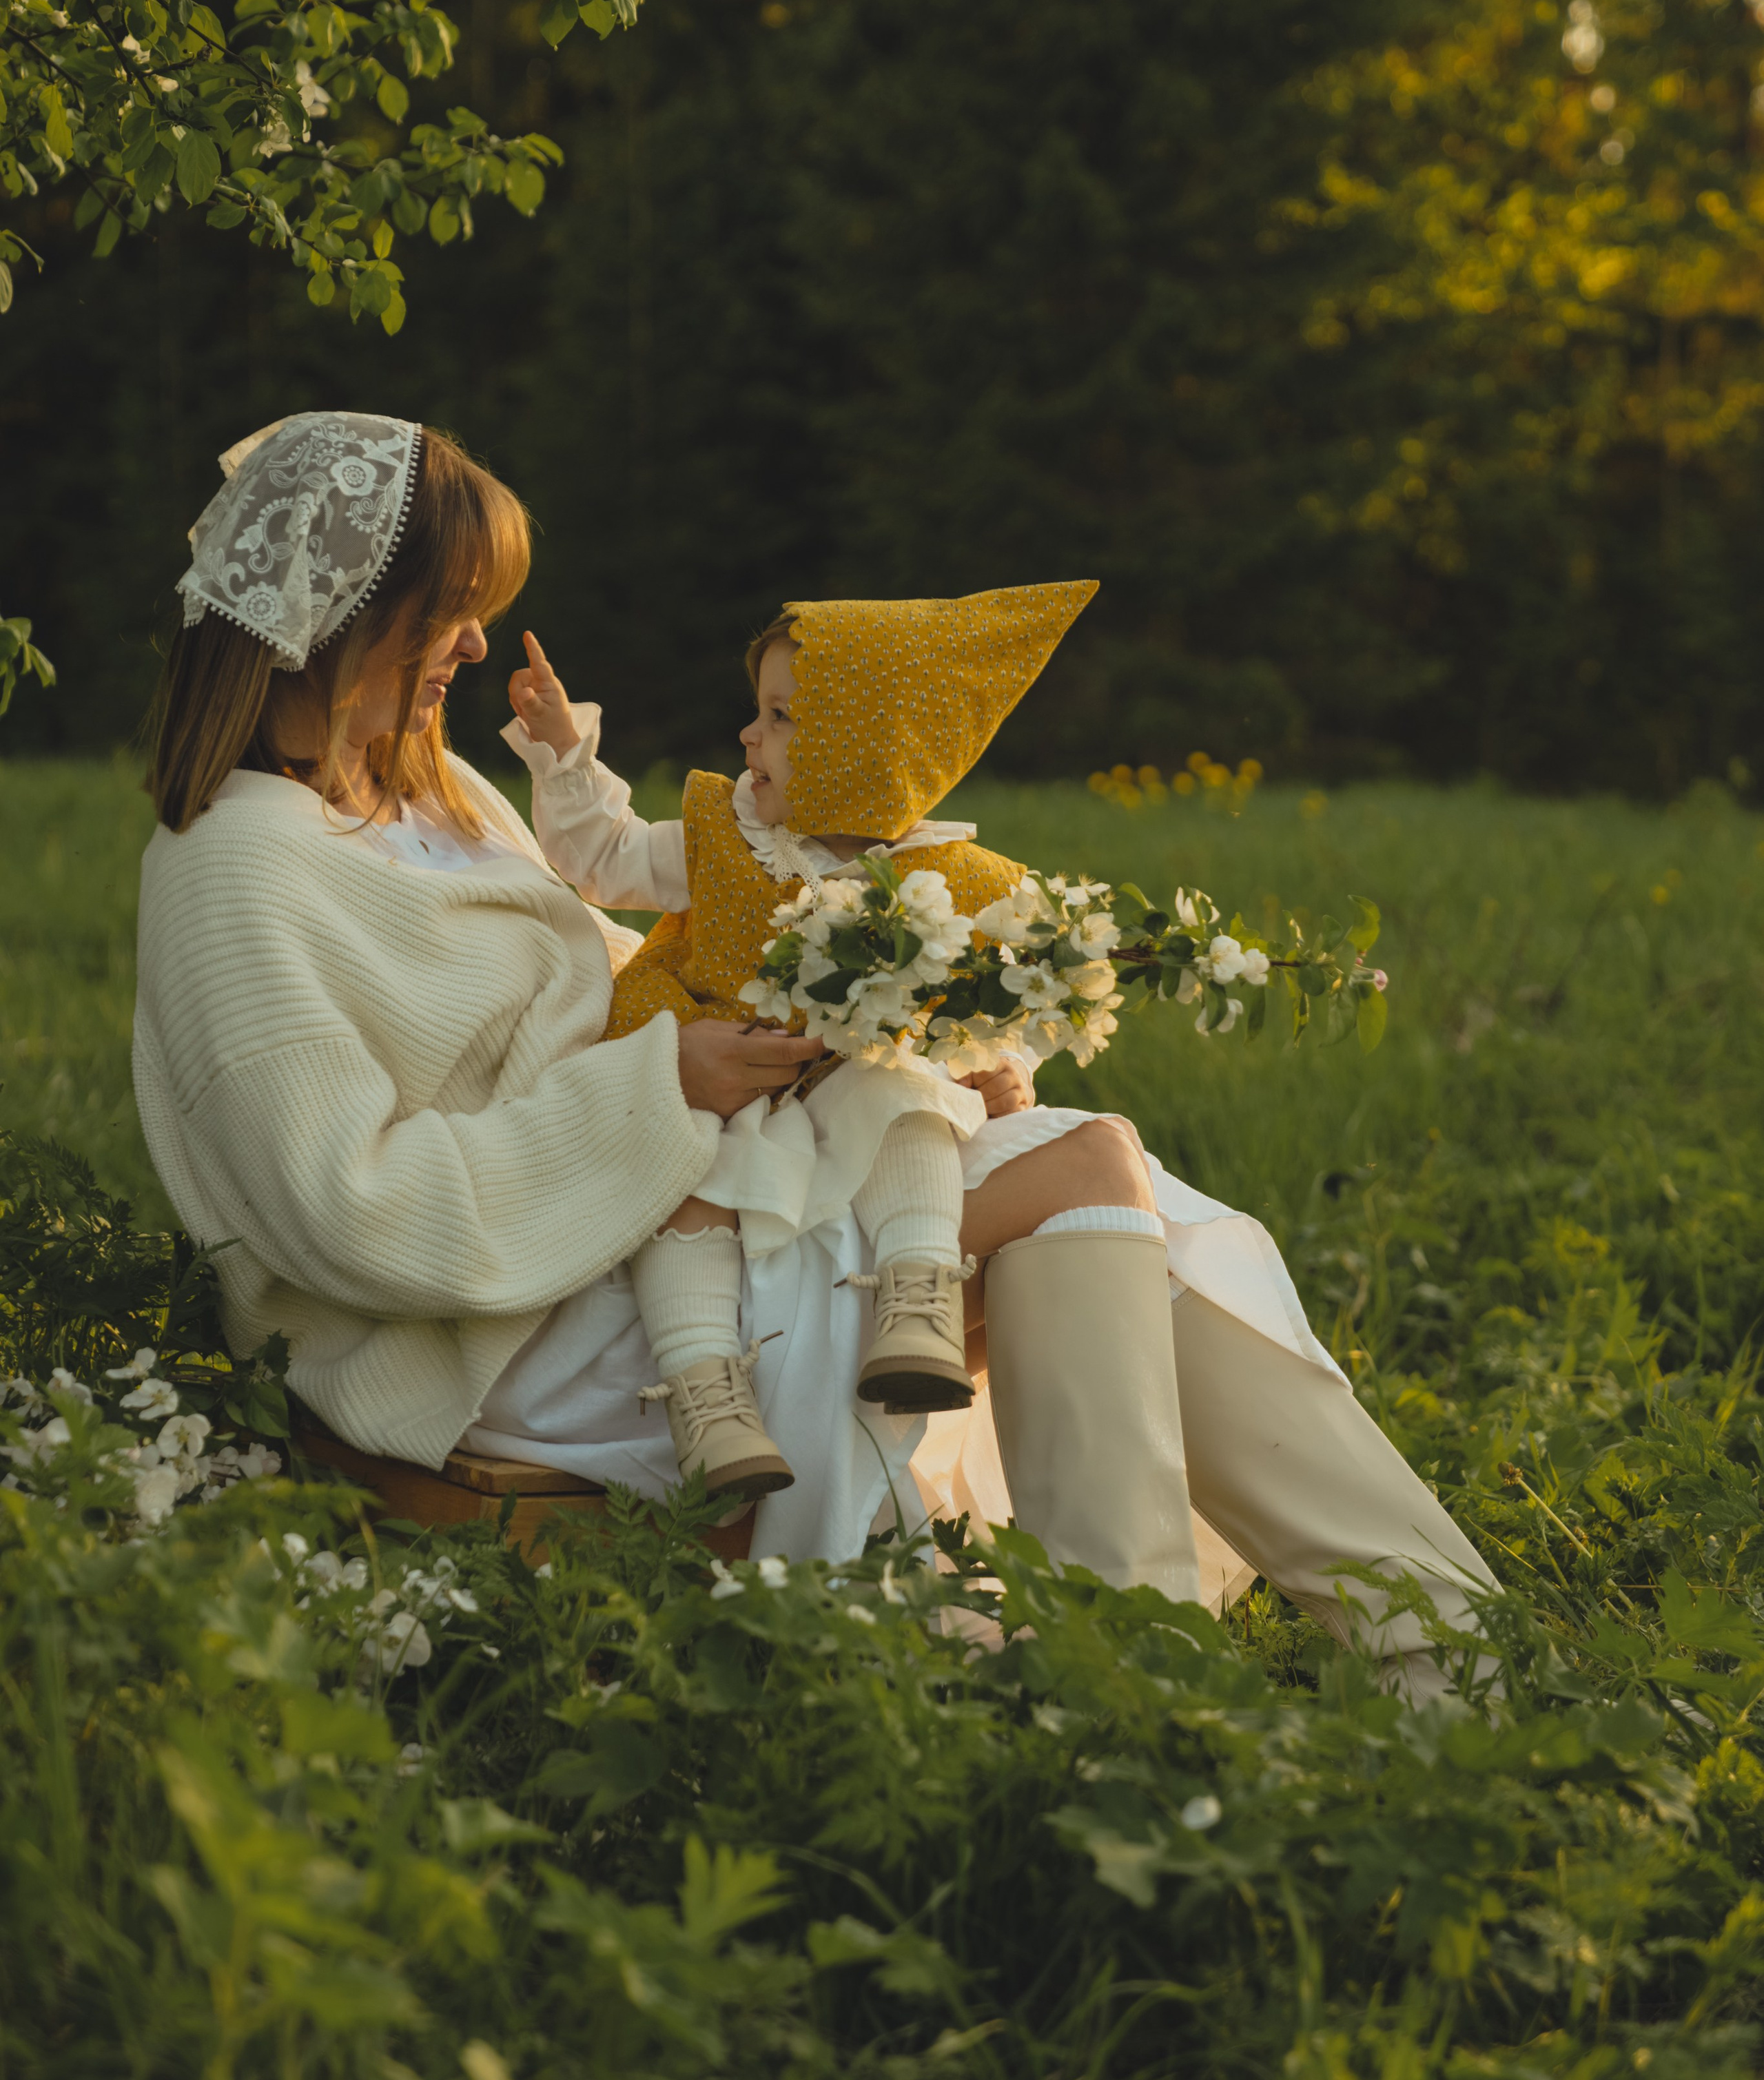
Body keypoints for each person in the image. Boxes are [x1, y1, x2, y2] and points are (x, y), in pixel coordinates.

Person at [133, 411, 1497, 1698]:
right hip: (506, 1317)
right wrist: (660, 1087)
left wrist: (883, 1036)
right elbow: (344, 1210)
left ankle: (1375, 1652)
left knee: (1095, 1175)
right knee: (1087, 1172)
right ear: (337, 617)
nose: (477, 648)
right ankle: (1276, 1664)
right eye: (450, 610)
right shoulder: (235, 872)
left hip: (643, 1190)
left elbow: (608, 977)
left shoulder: (428, 790)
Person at [499, 586, 1096, 1515]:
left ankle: (920, 1300)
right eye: (759, 712)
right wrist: (564, 752)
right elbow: (601, 858)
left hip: (853, 1103)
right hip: (725, 1091)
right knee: (680, 1188)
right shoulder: (728, 839)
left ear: (866, 747)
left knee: (913, 1100)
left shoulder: (950, 878)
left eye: (780, 718)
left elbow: (1020, 982)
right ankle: (709, 1403)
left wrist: (1010, 1059)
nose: (748, 736)